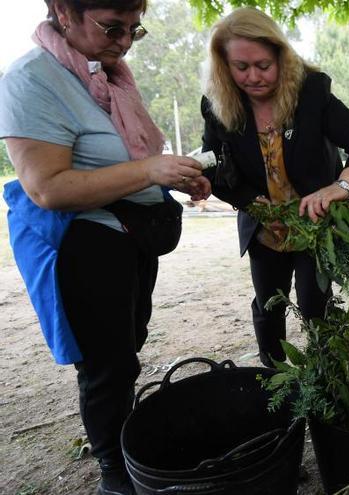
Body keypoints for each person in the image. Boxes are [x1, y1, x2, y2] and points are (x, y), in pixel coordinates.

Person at [0, 1, 211, 493]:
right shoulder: (33, 78)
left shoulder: (109, 77)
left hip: (129, 238)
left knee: (127, 349)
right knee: (105, 367)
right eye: (112, 27)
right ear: (63, 12)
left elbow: (120, 159)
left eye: (134, 29)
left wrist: (172, 182)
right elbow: (47, 187)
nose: (123, 41)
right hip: (85, 246)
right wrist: (149, 172)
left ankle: (127, 444)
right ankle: (116, 476)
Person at [200, 8, 349, 367]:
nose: (253, 77)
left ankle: (323, 380)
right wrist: (245, 198)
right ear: (224, 65)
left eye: (263, 65)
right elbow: (217, 169)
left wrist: (341, 185)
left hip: (314, 225)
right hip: (265, 228)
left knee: (316, 306)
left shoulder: (311, 91)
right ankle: (274, 383)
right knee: (269, 303)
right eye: (241, 67)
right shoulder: (217, 105)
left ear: (281, 56)